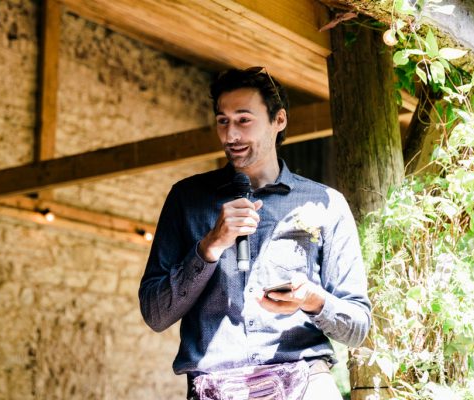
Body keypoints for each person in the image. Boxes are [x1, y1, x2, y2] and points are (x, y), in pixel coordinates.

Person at [139, 66, 371, 400]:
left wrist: (312, 299)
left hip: (305, 384)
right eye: (223, 121)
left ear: (279, 120)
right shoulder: (186, 200)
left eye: (243, 120)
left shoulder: (327, 205)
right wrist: (209, 246)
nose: (230, 135)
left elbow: (358, 326)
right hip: (216, 388)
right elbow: (156, 315)